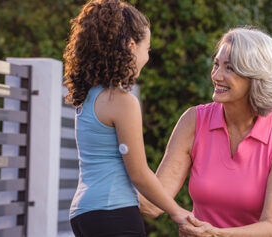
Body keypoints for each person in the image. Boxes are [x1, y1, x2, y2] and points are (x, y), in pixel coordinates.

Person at [139, 26, 272, 236]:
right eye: (216, 64)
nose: (216, 75)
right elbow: (153, 205)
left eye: (230, 68)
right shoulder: (194, 121)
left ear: (255, 76)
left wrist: (214, 234)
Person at [63, 0, 191, 236]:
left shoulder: (88, 97)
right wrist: (178, 212)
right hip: (113, 212)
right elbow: (139, 174)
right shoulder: (122, 102)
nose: (147, 57)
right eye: (147, 49)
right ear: (131, 46)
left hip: (84, 213)